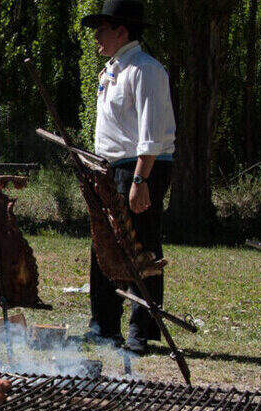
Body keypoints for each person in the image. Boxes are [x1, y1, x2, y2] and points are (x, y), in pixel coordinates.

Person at [81, 0, 176, 353]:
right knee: (104, 245)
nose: (96, 38)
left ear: (121, 30)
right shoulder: (112, 70)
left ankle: (142, 328)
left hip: (141, 166)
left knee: (141, 247)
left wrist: (140, 180)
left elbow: (151, 131)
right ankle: (104, 325)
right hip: (111, 168)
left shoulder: (145, 70)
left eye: (101, 30)